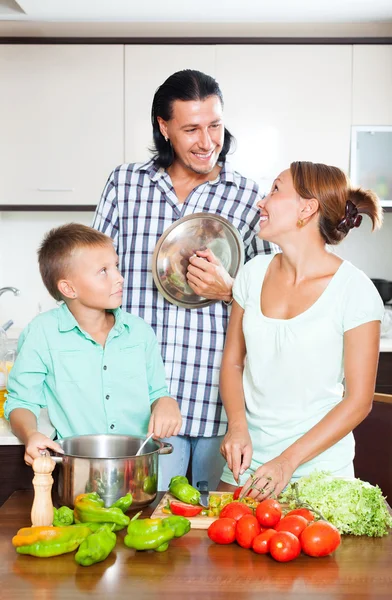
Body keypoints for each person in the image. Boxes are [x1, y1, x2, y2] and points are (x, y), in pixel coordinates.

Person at [93, 69, 275, 490]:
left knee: (220, 534)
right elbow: (93, 278)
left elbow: (272, 300)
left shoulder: (248, 197)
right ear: (164, 127)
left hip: (217, 399)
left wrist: (230, 291)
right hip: (140, 400)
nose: (207, 142)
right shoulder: (125, 184)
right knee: (144, 528)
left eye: (215, 125)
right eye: (191, 129)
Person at [218, 161, 384, 499]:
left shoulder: (355, 290)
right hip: (246, 466)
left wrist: (287, 461)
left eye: (275, 190)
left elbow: (359, 401)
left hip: (319, 474)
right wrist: (237, 427)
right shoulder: (252, 273)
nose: (261, 202)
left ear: (306, 208)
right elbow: (233, 363)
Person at [4, 224, 182, 465]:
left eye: (116, 266)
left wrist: (166, 402)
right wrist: (31, 434)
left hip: (138, 468)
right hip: (76, 470)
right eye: (103, 271)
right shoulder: (41, 334)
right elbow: (22, 402)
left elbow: (157, 393)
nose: (119, 277)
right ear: (69, 288)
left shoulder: (139, 332)